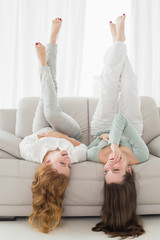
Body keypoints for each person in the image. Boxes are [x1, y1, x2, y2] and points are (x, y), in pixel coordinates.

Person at [19, 18, 87, 233]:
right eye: (69, 167)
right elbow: (82, 147)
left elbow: (27, 141)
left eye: (62, 163)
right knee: (51, 109)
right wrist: (63, 137)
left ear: (47, 162)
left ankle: (51, 45)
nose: (68, 161)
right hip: (69, 131)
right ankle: (44, 60)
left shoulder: (32, 152)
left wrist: (46, 135)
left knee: (50, 91)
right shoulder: (72, 156)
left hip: (41, 128)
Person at [87, 14, 149, 238]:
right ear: (129, 170)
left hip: (101, 124)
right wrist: (113, 142)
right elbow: (121, 120)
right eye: (117, 169)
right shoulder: (140, 154)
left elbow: (90, 149)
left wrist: (107, 143)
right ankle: (118, 42)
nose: (110, 164)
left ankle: (118, 42)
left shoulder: (100, 157)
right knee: (130, 82)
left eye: (106, 172)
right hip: (132, 122)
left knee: (109, 82)